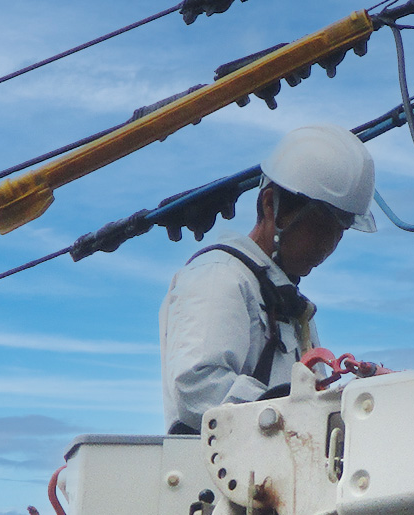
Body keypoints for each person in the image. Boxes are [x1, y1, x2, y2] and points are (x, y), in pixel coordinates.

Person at [159, 124, 377, 434]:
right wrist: (289, 413)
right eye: (319, 227)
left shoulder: (290, 305)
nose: (328, 246)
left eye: (339, 233)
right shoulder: (218, 275)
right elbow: (197, 386)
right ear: (269, 204)